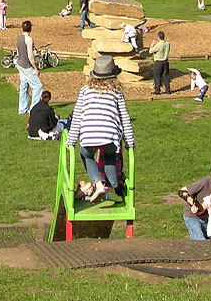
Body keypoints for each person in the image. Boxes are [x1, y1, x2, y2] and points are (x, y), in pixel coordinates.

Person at [66, 55, 135, 203]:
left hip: (88, 135)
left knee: (86, 155)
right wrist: (130, 143)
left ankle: (98, 184)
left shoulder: (85, 90)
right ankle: (111, 188)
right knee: (110, 155)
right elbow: (125, 119)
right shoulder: (116, 93)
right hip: (110, 136)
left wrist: (70, 141)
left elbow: (77, 117)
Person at [16, 20, 43, 115]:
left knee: (24, 86)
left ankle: (22, 109)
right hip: (26, 66)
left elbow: (18, 52)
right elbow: (30, 55)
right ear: (30, 28)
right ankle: (34, 108)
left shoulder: (19, 38)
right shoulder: (29, 39)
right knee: (38, 86)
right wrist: (35, 67)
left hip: (19, 64)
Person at [149, 31, 171, 95]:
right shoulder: (167, 44)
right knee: (166, 76)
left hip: (159, 62)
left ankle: (157, 90)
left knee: (157, 76)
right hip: (165, 61)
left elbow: (150, 51)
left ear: (158, 37)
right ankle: (168, 90)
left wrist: (152, 45)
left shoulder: (158, 45)